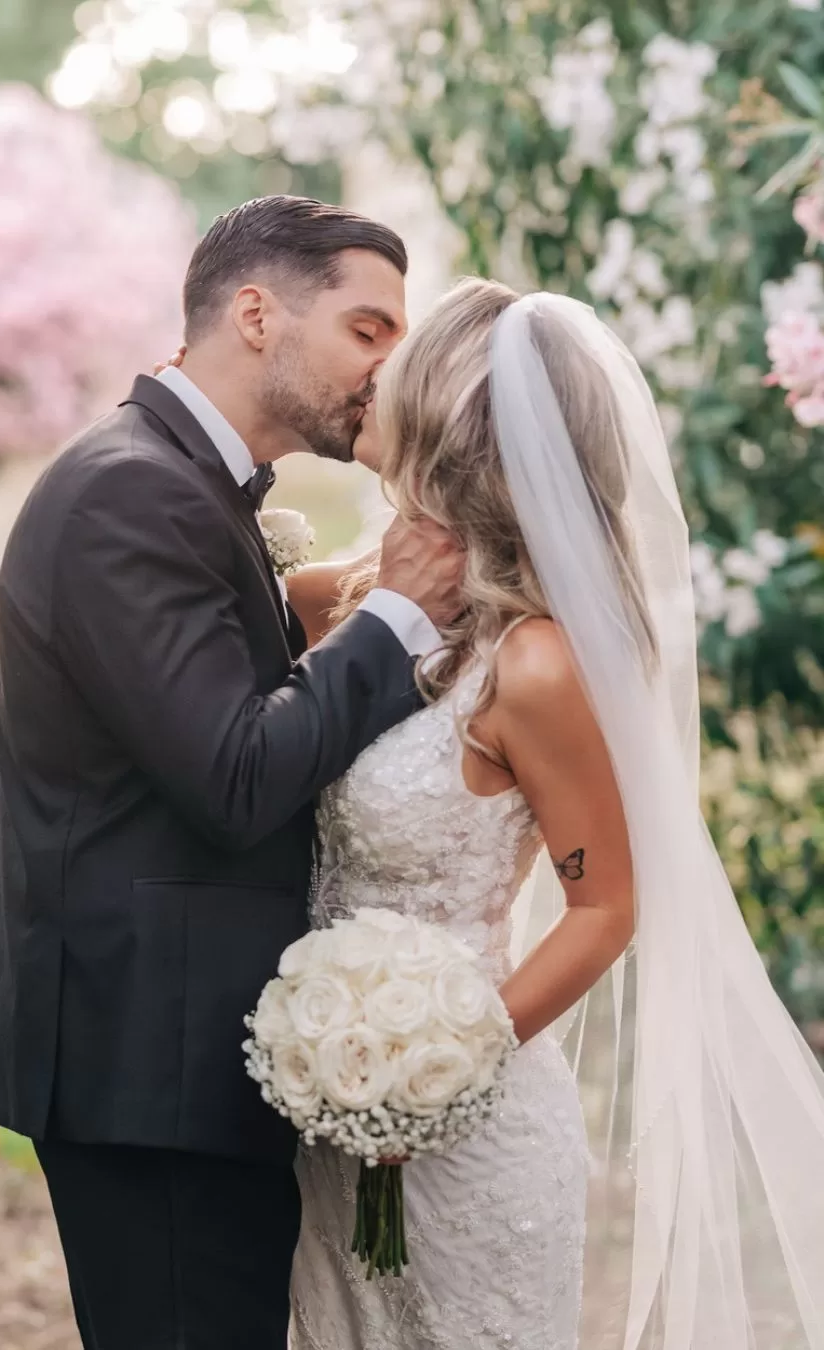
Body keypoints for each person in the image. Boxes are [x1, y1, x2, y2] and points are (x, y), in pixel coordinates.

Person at [0, 195, 465, 1350]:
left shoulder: (181, 481)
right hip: (142, 1062)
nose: (385, 368)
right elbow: (232, 773)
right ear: (257, 313)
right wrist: (400, 616)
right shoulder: (133, 490)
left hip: (170, 1048)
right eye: (367, 331)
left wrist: (350, 599)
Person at [287, 278, 824, 1350]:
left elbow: (603, 910)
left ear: (445, 416)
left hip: (456, 1116)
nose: (373, 376)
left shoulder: (534, 664)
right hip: (322, 1100)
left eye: (400, 361)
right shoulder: (362, 597)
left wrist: (432, 1070)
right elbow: (287, 613)